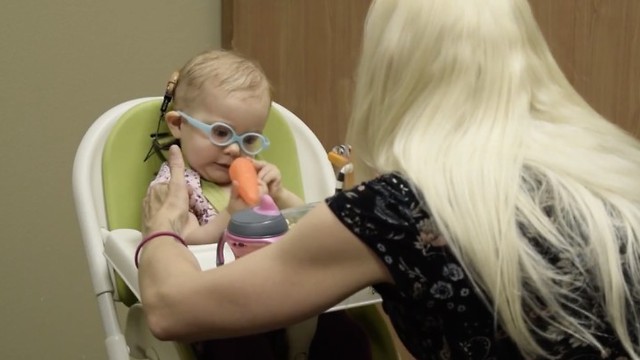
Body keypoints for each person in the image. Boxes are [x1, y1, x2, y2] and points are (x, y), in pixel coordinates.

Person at [138, 0, 640, 359]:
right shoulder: (615, 169)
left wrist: (160, 229)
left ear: (389, 70)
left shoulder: (396, 211)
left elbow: (169, 311)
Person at [146, 49, 332, 360]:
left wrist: (281, 194)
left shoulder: (255, 175)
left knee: (344, 333)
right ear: (179, 124)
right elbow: (188, 240)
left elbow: (306, 220)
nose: (234, 149)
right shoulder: (175, 186)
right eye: (220, 132)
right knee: (241, 348)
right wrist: (232, 213)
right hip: (217, 307)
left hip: (281, 293)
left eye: (248, 139)